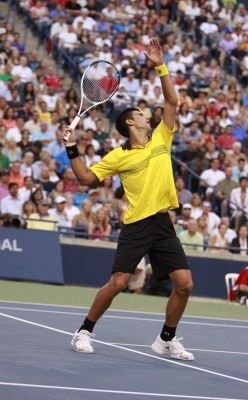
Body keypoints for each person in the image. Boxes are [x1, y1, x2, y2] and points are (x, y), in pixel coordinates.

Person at [62, 39, 194, 361]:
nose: (147, 115)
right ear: (130, 123)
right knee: (119, 282)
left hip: (162, 221)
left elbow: (172, 101)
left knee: (185, 284)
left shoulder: (162, 135)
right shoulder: (118, 156)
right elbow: (85, 179)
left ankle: (166, 339)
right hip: (137, 224)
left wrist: (160, 66)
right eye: (140, 113)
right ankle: (84, 330)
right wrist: (71, 148)